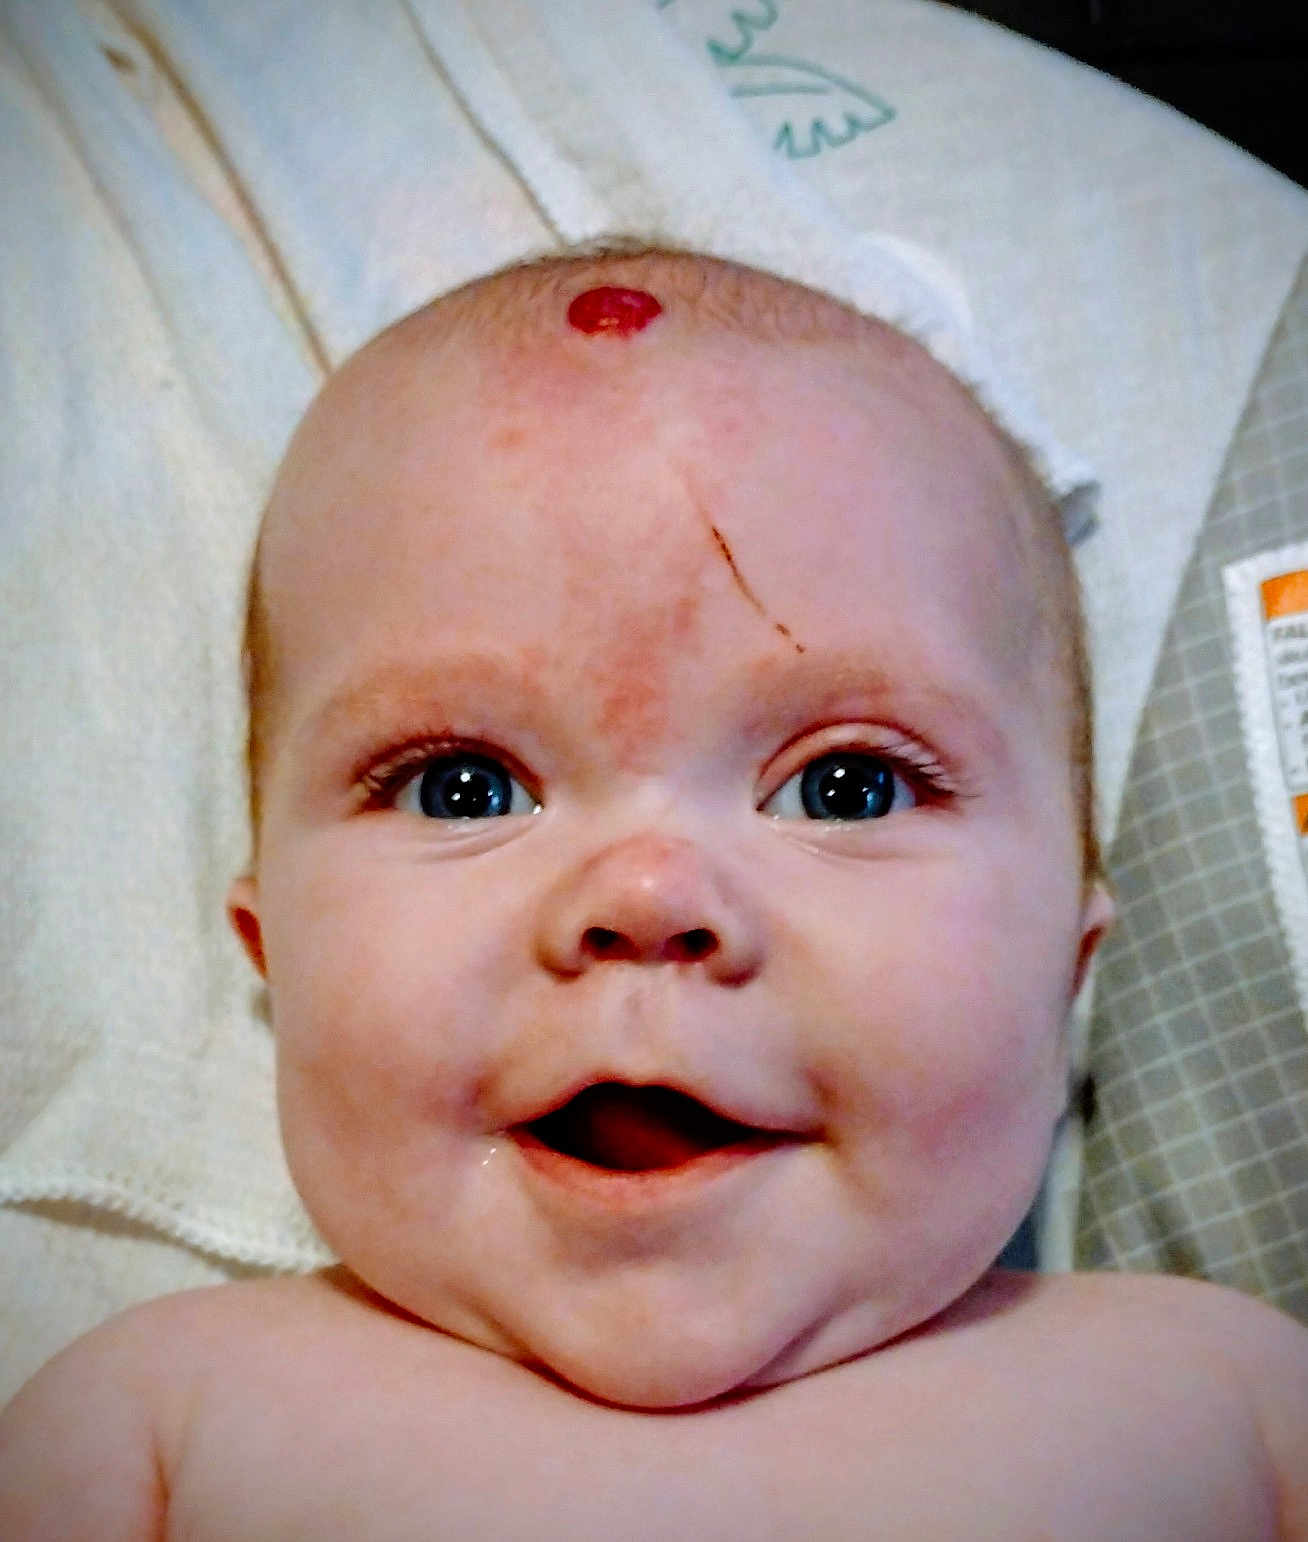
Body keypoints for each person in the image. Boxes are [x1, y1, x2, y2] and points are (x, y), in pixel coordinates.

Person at [2, 247, 1305, 1540]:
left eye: (844, 785)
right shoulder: (156, 1421)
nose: (646, 894)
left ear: (1068, 964)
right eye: (463, 787)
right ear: (268, 948)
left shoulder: (1232, 1402)